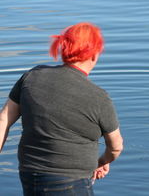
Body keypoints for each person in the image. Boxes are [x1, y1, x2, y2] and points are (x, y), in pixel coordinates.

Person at [0, 22, 123, 195]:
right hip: (72, 181)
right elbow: (116, 147)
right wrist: (102, 161)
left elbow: (3, 120)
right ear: (94, 55)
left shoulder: (32, 77)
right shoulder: (98, 97)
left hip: (30, 174)